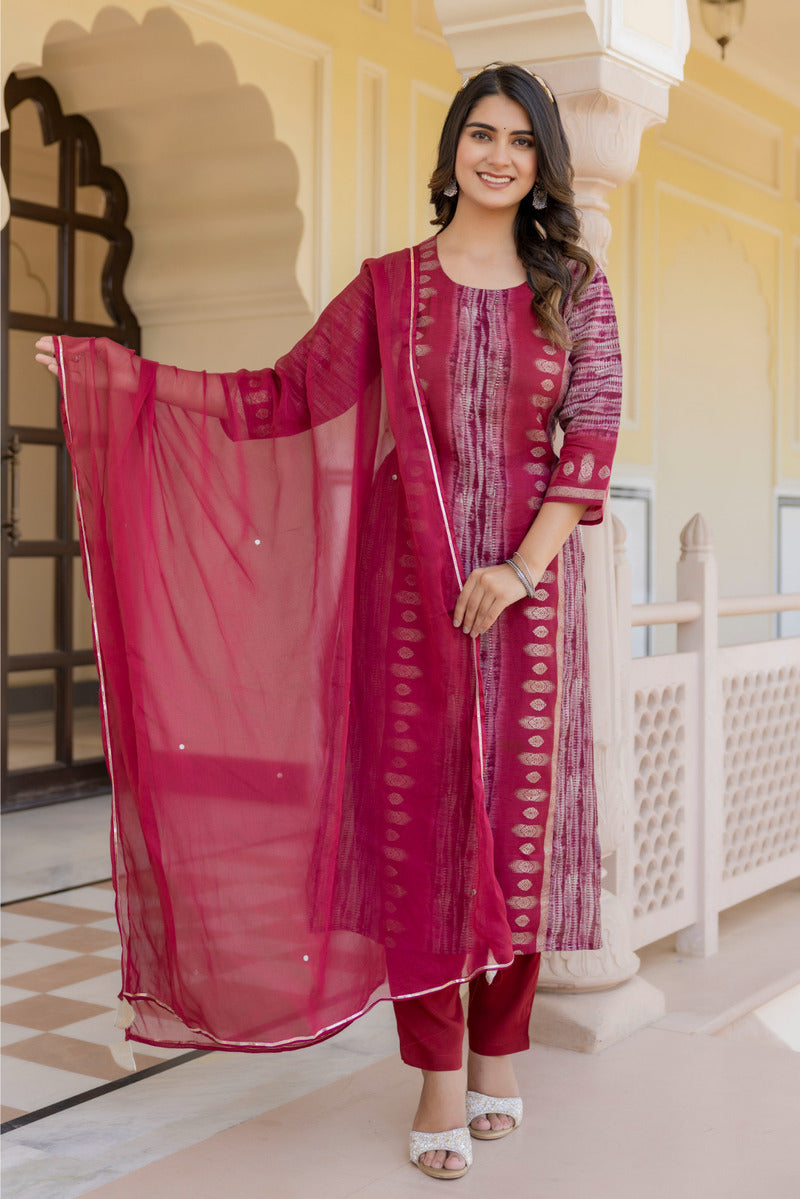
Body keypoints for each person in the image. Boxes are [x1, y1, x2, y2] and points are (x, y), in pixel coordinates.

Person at [36, 62, 622, 1181]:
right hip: (407, 604)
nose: (497, 154)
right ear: (452, 149)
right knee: (416, 845)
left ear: (541, 161)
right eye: (478, 134)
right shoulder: (388, 286)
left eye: (519, 140)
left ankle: (500, 1052)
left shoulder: (573, 286)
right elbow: (279, 395)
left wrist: (515, 569)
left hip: (529, 609)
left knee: (515, 832)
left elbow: (589, 435)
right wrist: (111, 379)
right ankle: (438, 1076)